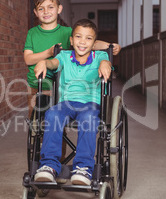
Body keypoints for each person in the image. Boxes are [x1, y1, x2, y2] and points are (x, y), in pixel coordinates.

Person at [33, 18, 112, 186]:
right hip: (67, 103)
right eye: (78, 37)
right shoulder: (64, 56)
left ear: (94, 43)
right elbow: (53, 62)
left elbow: (105, 62)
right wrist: (43, 62)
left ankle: (83, 168)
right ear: (71, 40)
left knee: (89, 118)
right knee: (52, 113)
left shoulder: (100, 56)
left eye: (88, 38)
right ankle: (49, 165)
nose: (82, 42)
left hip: (91, 104)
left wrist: (105, 63)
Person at [24, 0, 120, 118]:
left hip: (62, 80)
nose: (46, 12)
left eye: (50, 7)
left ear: (59, 9)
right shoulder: (32, 33)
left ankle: (60, 136)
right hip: (40, 81)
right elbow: (28, 59)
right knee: (37, 117)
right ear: (36, 12)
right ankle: (38, 136)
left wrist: (109, 46)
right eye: (41, 9)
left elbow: (86, 42)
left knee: (60, 115)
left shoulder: (67, 31)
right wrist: (48, 52)